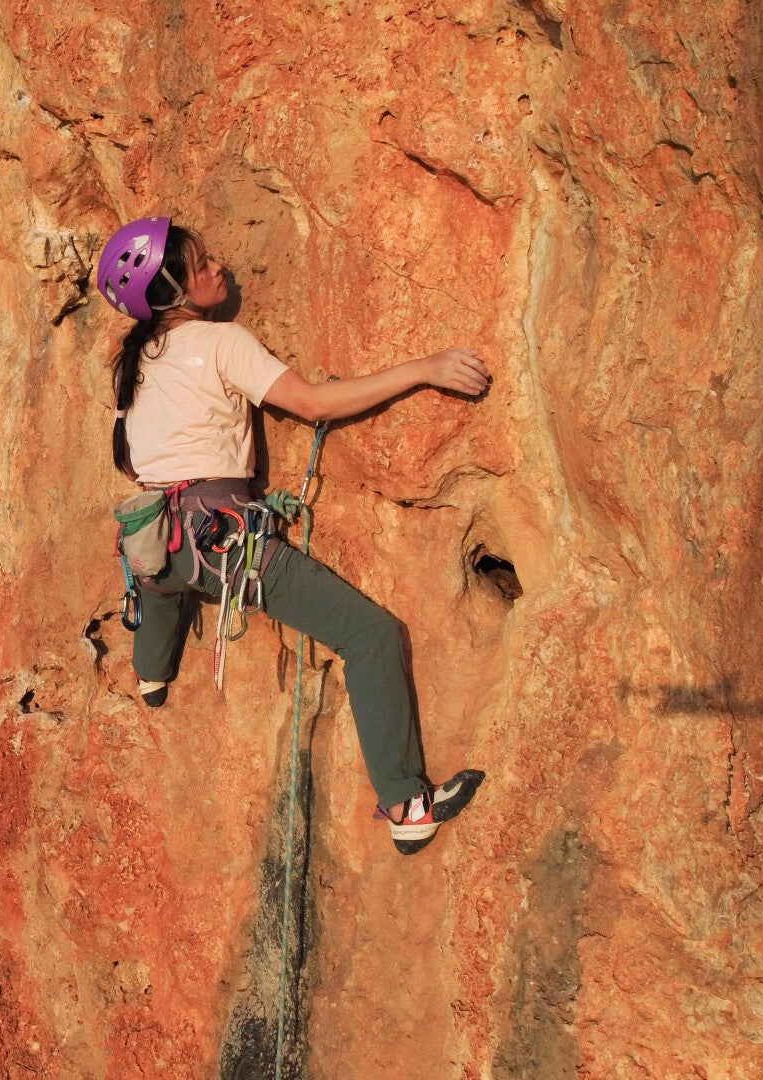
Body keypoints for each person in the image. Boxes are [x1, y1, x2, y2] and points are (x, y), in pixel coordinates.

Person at [97, 216, 486, 854]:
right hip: (222, 545)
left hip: (153, 537)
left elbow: (132, 463)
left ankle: (150, 676)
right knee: (371, 636)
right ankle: (406, 805)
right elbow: (312, 404)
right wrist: (426, 368)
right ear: (175, 293)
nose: (218, 267)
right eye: (202, 264)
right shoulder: (220, 342)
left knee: (163, 583)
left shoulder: (135, 364)